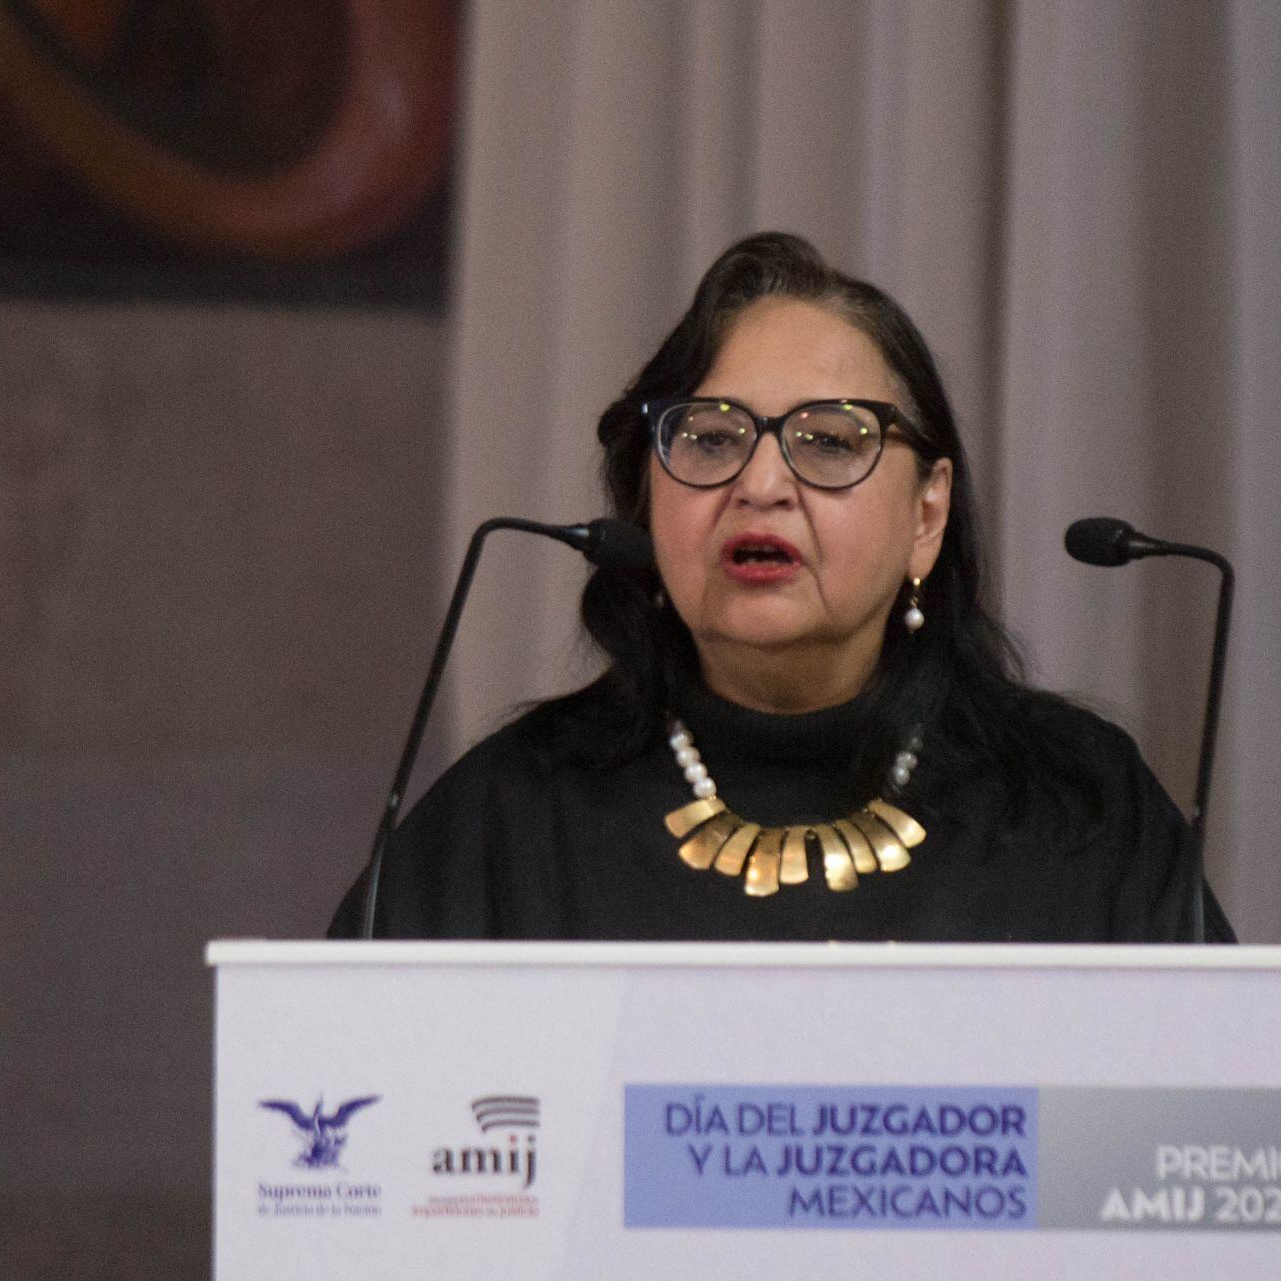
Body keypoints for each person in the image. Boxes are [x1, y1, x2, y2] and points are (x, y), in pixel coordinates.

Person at [330, 232, 1233, 942]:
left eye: (831, 441)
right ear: (647, 503)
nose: (759, 484)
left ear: (928, 514)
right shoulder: (513, 816)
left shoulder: (1076, 808)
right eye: (711, 438)